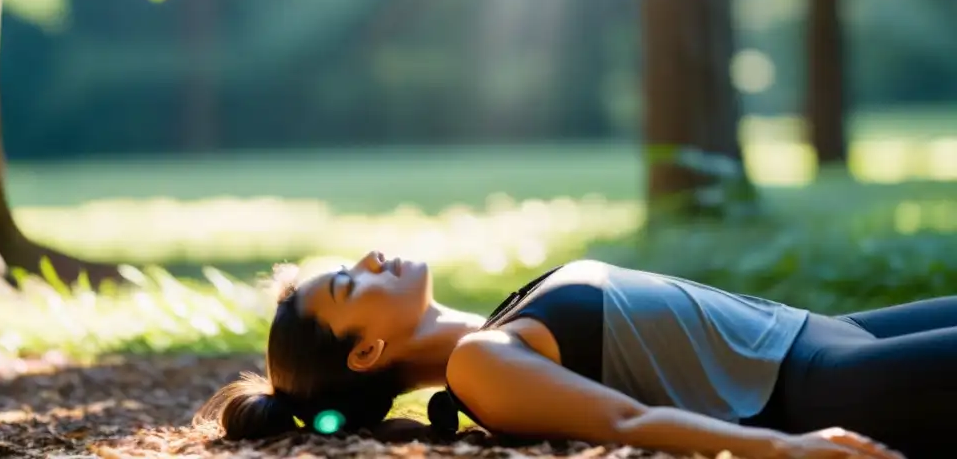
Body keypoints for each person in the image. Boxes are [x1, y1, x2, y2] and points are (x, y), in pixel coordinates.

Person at [196, 252, 954, 458]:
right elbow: (626, 418)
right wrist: (782, 449)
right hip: (830, 389)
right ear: (366, 353)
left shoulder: (501, 322)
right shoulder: (482, 366)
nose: (367, 257)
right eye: (347, 283)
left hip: (833, 333)